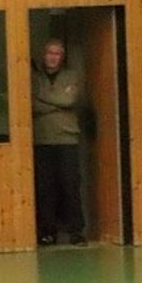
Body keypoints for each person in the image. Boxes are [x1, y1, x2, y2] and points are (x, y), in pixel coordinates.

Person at [32, 38, 87, 246]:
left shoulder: (71, 76)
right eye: (49, 53)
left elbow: (69, 100)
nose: (52, 57)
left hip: (67, 139)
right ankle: (48, 232)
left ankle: (76, 231)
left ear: (62, 58)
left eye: (57, 54)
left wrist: (43, 97)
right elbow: (31, 103)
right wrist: (56, 103)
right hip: (42, 139)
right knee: (45, 188)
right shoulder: (35, 78)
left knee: (70, 186)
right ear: (43, 55)